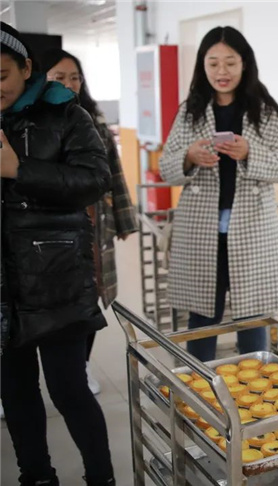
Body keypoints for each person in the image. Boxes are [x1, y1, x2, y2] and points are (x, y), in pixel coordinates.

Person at [0, 22, 115, 486]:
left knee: (69, 390)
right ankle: (37, 476)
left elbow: (95, 180)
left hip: (57, 277)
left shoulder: (67, 114)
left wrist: (19, 170)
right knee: (15, 393)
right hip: (3, 288)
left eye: (1, 76)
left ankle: (101, 478)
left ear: (26, 68)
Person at [160, 26, 278, 362]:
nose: (222, 71)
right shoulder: (190, 112)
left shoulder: (264, 112)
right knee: (202, 315)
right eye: (213, 63)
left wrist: (250, 152)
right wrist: (189, 157)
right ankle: (198, 382)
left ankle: (257, 381)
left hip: (251, 229)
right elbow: (166, 168)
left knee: (253, 315)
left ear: (244, 63)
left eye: (230, 62)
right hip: (201, 229)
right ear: (202, 66)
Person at [42, 48, 139, 395]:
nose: (69, 85)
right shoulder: (31, 122)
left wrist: (124, 221)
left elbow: (115, 174)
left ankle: (81, 366)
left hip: (92, 230)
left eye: (75, 78)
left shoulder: (93, 122)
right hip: (46, 230)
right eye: (59, 78)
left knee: (89, 299)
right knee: (41, 302)